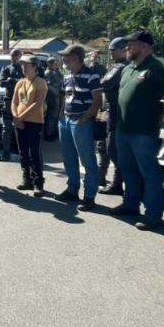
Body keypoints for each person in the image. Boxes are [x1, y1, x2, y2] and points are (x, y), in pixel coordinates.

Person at [113, 30, 164, 230]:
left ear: (146, 46)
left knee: (149, 173)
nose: (127, 47)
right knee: (128, 169)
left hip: (144, 132)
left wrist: (151, 114)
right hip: (123, 129)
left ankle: (153, 214)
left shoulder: (157, 69)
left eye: (132, 44)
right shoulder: (127, 69)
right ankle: (131, 204)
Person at [55, 44, 102, 210]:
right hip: (66, 120)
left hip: (81, 121)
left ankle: (89, 196)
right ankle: (72, 189)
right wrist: (61, 116)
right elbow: (65, 97)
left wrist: (86, 116)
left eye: (66, 58)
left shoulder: (91, 75)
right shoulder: (67, 76)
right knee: (69, 158)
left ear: (76, 58)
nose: (64, 61)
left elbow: (98, 100)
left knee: (87, 160)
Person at [12, 54, 48, 196]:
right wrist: (16, 117)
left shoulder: (40, 82)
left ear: (35, 67)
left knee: (34, 153)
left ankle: (38, 183)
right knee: (22, 152)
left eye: (26, 65)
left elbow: (37, 103)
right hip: (20, 122)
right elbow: (14, 102)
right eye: (22, 65)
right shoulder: (20, 82)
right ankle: (26, 179)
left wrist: (20, 118)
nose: (23, 67)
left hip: (34, 122)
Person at [98, 38, 128, 195]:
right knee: (104, 147)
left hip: (115, 112)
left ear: (123, 50)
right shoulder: (117, 66)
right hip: (109, 110)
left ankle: (117, 183)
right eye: (110, 50)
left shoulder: (121, 67)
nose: (111, 53)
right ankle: (105, 179)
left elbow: (104, 84)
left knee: (112, 149)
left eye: (113, 50)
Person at [0, 48, 23, 161]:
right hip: (9, 101)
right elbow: (1, 83)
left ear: (20, 56)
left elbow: (27, 82)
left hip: (21, 102)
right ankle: (6, 152)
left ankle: (21, 151)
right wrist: (12, 81)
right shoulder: (6, 68)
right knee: (6, 128)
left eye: (16, 55)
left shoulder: (24, 68)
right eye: (12, 55)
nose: (14, 57)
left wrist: (14, 81)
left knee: (21, 127)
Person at [43, 56, 63, 141]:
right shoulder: (48, 73)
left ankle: (54, 132)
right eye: (54, 63)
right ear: (49, 64)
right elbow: (47, 85)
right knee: (50, 116)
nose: (56, 65)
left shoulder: (55, 72)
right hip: (51, 97)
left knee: (55, 116)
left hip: (57, 97)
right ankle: (49, 134)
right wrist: (56, 92)